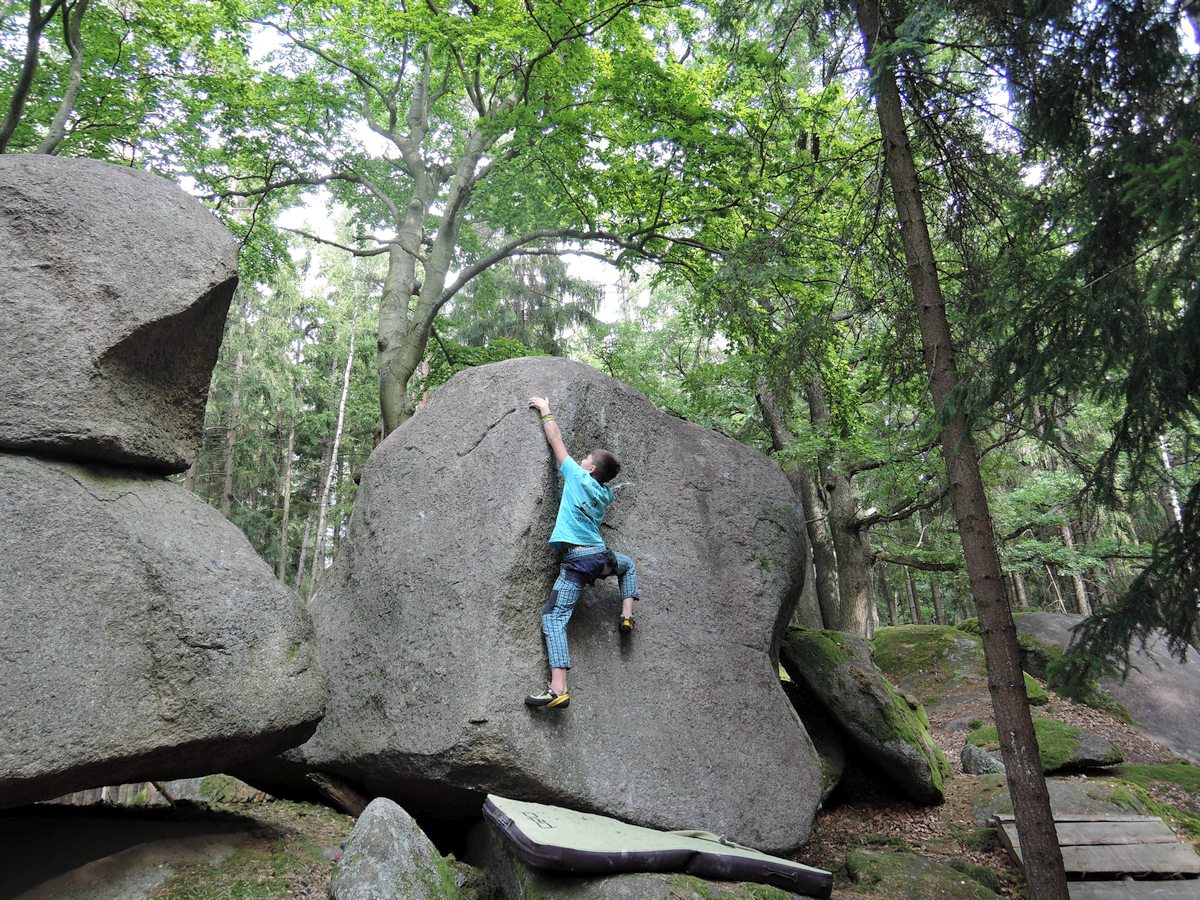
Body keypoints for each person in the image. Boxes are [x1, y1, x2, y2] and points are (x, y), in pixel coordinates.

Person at [524, 396, 639, 710]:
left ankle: (557, 688)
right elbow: (610, 482)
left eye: (586, 458)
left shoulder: (576, 476)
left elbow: (556, 440)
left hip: (577, 562)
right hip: (602, 558)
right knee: (628, 567)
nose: (582, 459)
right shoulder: (604, 496)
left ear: (588, 469)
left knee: (554, 618)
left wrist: (545, 410)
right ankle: (627, 615)